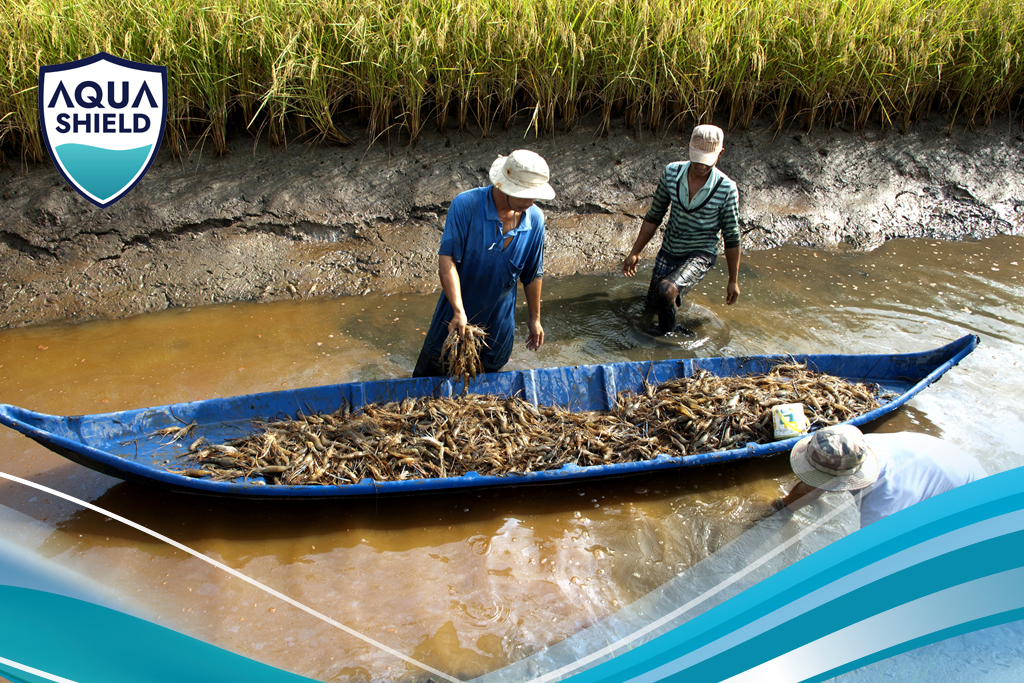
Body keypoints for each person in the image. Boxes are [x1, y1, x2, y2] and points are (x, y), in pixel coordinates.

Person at [412, 149, 553, 378]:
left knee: (487, 387)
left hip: (499, 326)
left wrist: (534, 319)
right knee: (432, 375)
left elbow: (533, 273)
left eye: (534, 196)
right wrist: (459, 311)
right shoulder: (466, 205)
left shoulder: (535, 218)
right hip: (454, 318)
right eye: (524, 195)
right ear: (503, 186)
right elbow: (447, 261)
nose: (530, 202)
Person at [622, 124, 741, 334]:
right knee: (652, 304)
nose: (701, 166)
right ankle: (671, 311)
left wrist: (733, 280)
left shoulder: (726, 188)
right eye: (697, 159)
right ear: (689, 148)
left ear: (720, 153)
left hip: (700, 253)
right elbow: (654, 215)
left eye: (707, 160)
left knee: (667, 290)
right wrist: (635, 251)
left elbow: (731, 237)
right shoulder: (672, 173)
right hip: (670, 249)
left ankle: (666, 340)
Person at [773, 425, 987, 527]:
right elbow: (813, 485)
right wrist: (780, 509)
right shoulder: (850, 446)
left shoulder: (884, 501)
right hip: (943, 467)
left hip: (972, 502)